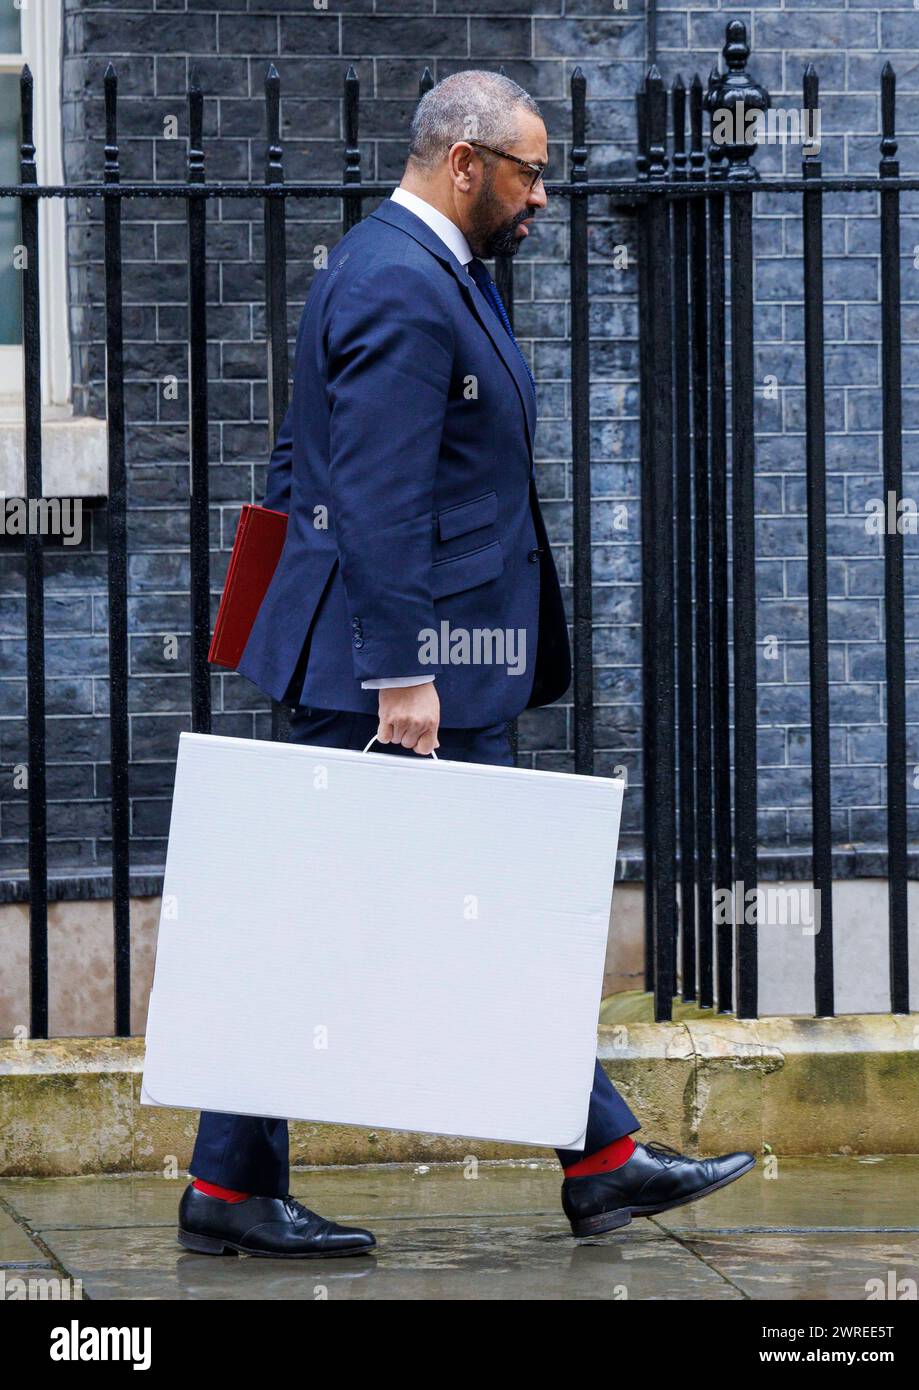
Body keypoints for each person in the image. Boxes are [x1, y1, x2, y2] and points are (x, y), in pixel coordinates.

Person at [177, 70, 754, 1260]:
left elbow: (306, 462)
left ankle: (585, 1158)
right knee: (390, 915)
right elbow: (375, 495)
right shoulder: (399, 280)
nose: (542, 195)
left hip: (393, 661)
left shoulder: (407, 265)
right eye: (529, 170)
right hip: (395, 679)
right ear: (463, 162)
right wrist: (396, 671)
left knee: (394, 913)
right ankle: (583, 1161)